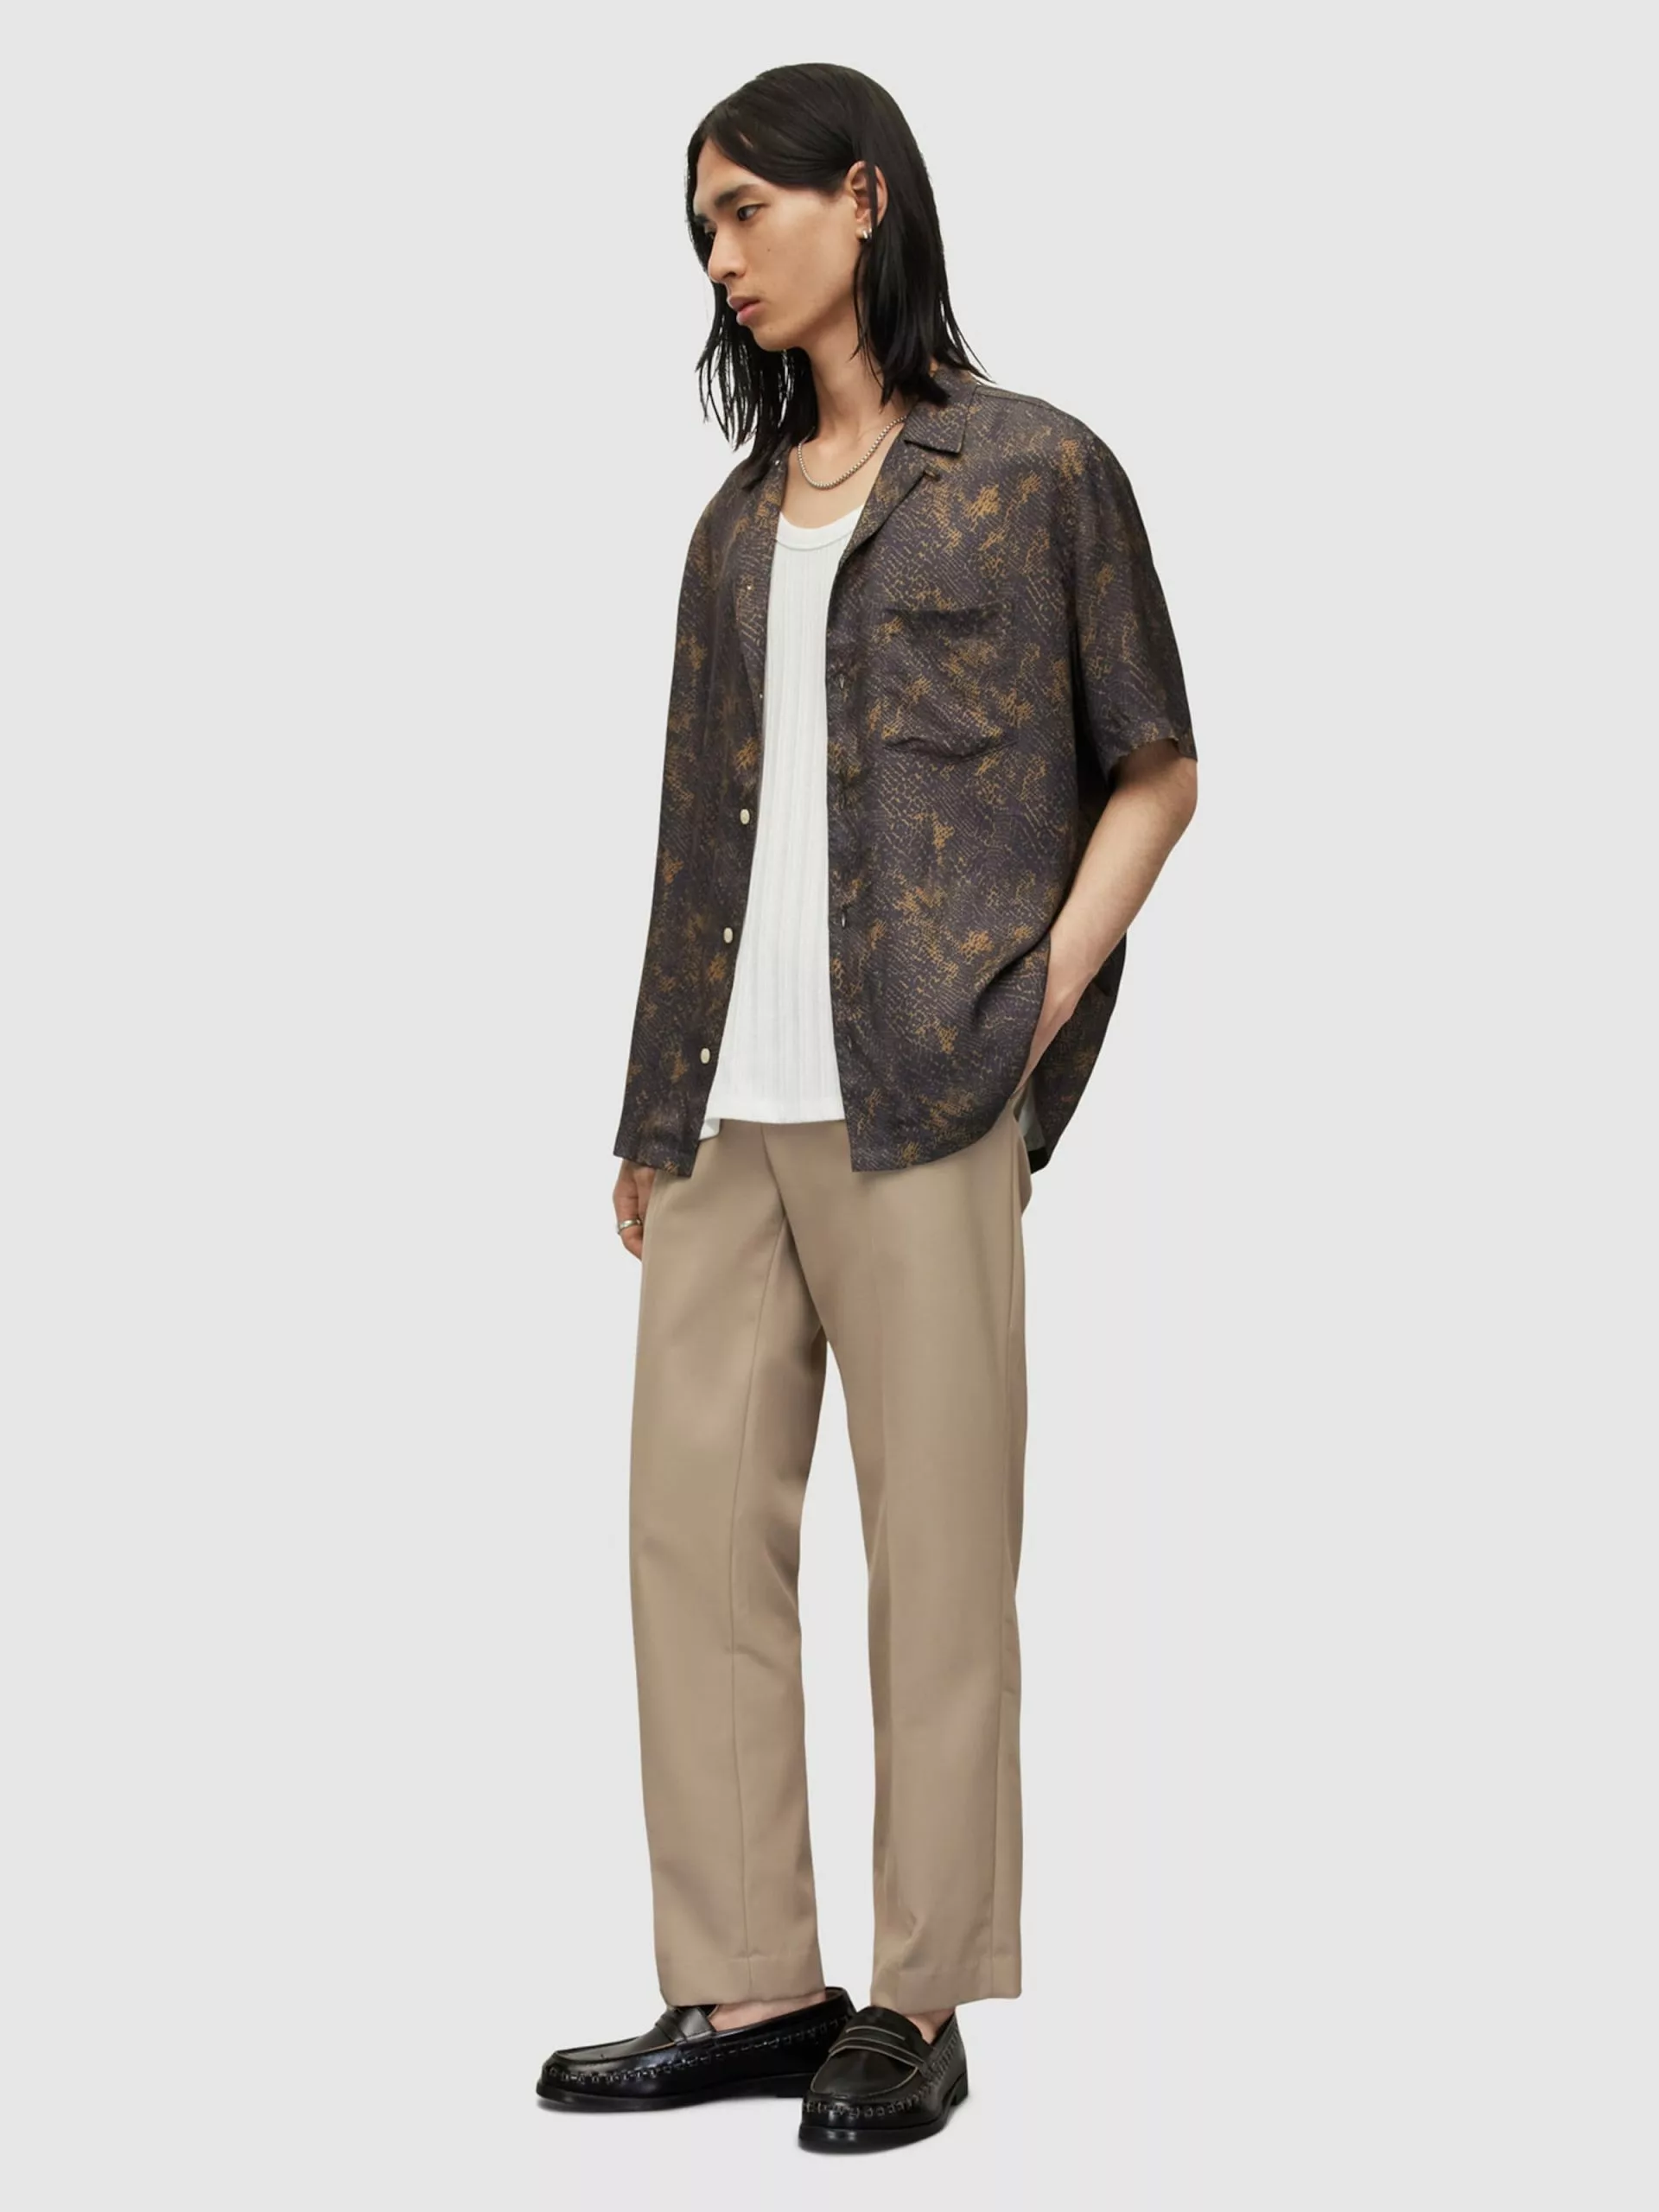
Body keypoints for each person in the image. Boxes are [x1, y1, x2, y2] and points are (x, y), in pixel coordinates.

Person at [536, 62, 1198, 2154]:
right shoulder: (735, 530)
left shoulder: (1035, 473)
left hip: (928, 1094)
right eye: (702, 230)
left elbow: (1156, 761)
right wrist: (651, 1104)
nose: (722, 257)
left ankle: (920, 1995)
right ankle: (753, 1980)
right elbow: (693, 835)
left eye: (747, 210)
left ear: (865, 198)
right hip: (730, 1114)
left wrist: (1040, 994)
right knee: (689, 1532)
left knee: (939, 1545)